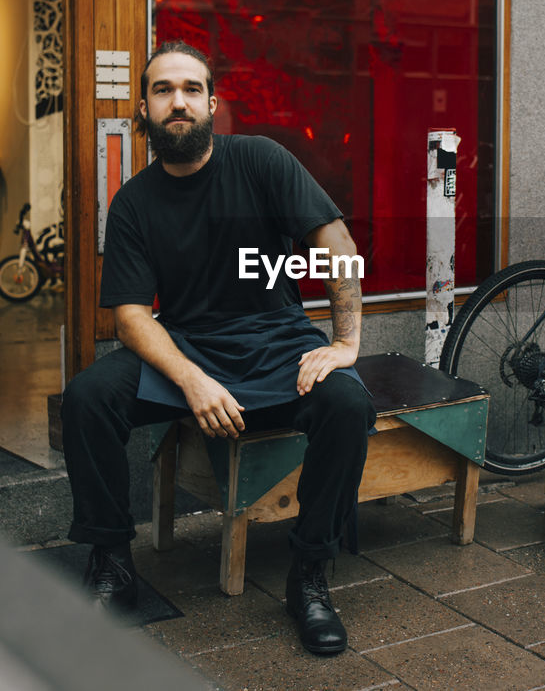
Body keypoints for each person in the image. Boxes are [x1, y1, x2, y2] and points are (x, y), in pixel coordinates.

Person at [61, 40, 373, 656]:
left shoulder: (261, 160)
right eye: (162, 90)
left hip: (276, 341)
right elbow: (129, 317)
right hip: (187, 345)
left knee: (347, 406)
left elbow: (334, 239)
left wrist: (346, 342)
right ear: (143, 112)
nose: (178, 102)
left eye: (191, 89)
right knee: (88, 397)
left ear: (212, 103)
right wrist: (190, 380)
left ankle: (309, 576)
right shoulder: (133, 203)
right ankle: (112, 563)